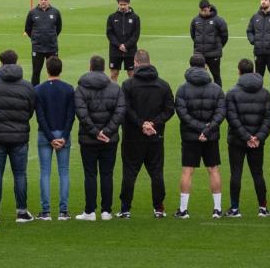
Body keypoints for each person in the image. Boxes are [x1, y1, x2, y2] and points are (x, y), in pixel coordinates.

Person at [0, 49, 36, 222]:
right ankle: (21, 212)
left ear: (1, 63)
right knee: (20, 174)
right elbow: (30, 111)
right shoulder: (27, 85)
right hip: (19, 136)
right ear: (17, 62)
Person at [119, 48, 174, 219]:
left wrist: (142, 123)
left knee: (129, 172)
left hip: (133, 136)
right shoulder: (163, 85)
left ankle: (126, 208)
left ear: (135, 63)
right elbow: (170, 109)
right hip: (155, 136)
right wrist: (154, 123)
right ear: (149, 62)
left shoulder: (128, 85)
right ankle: (159, 207)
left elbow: (126, 109)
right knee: (156, 171)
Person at [173, 52, 226, 219]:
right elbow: (221, 112)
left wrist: (198, 128)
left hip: (190, 136)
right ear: (206, 66)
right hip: (210, 135)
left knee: (187, 171)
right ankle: (217, 209)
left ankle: (183, 210)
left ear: (190, 66)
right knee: (213, 170)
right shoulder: (216, 88)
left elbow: (182, 113)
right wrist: (207, 129)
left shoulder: (182, 88)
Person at [73, 54, 123, 221]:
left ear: (90, 67)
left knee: (90, 174)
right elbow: (120, 112)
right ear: (104, 69)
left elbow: (81, 113)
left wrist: (95, 132)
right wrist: (107, 132)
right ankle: (106, 211)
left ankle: (90, 211)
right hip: (109, 139)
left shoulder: (81, 88)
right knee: (107, 174)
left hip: (89, 138)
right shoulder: (115, 88)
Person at [222, 57, 270, 218]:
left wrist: (246, 137)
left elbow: (232, 118)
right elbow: (268, 118)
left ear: (239, 71)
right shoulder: (265, 93)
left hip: (237, 140)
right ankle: (263, 208)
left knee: (236, 173)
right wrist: (258, 137)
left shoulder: (232, 93)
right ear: (253, 71)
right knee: (258, 173)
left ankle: (235, 208)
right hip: (257, 142)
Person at [35, 55, 76, 220]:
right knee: (64, 172)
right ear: (61, 70)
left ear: (47, 70)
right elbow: (70, 115)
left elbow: (40, 116)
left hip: (45, 134)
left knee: (45, 172)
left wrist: (50, 137)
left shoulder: (39, 89)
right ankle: (63, 211)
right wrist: (64, 136)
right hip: (62, 133)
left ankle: (45, 211)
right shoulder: (68, 89)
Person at [24, 0, 63, 86]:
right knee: (36, 72)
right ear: (39, 0)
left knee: (54, 71)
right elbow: (27, 29)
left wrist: (51, 37)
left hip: (52, 47)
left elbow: (59, 28)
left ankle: (54, 89)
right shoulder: (32, 12)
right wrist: (35, 39)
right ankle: (34, 91)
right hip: (38, 48)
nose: (43, 1)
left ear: (49, 0)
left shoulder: (55, 12)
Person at [190, 0, 229, 86]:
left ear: (209, 8)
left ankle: (219, 97)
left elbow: (225, 36)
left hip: (213, 54)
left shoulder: (218, 20)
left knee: (216, 76)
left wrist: (218, 46)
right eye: (201, 10)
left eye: (205, 10)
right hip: (199, 54)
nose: (203, 13)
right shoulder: (195, 20)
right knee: (197, 76)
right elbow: (193, 35)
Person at [106, 0, 142, 81]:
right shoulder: (112, 17)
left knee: (132, 74)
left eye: (125, 4)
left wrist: (126, 45)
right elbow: (109, 34)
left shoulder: (135, 17)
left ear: (129, 4)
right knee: (114, 73)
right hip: (115, 50)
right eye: (121, 4)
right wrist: (119, 45)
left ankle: (132, 93)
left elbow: (136, 35)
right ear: (118, 4)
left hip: (130, 50)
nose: (122, 6)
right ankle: (114, 93)